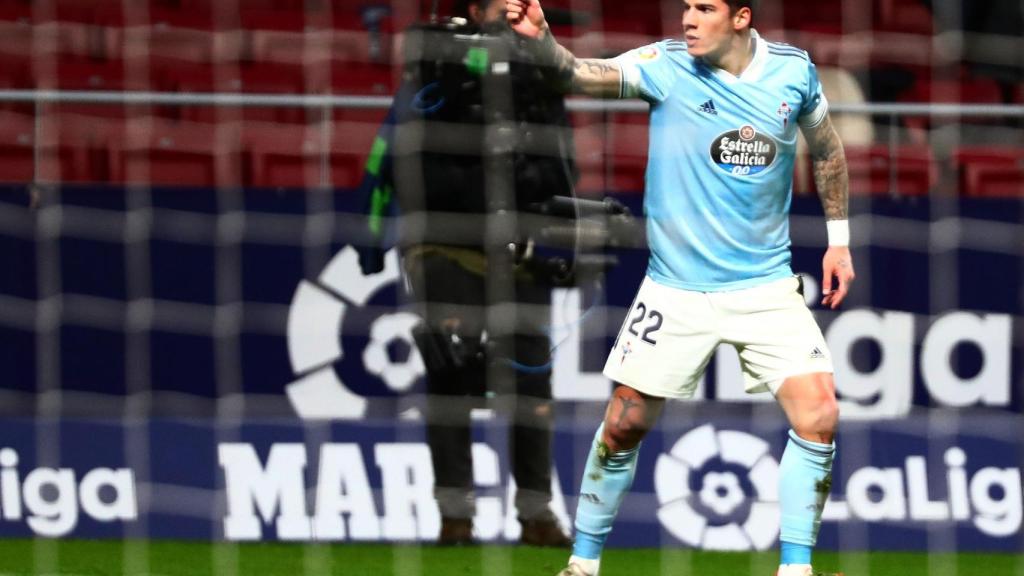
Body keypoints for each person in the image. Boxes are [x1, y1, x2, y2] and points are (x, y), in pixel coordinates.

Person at [504, 0, 855, 575]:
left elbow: (827, 146)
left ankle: (795, 569)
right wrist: (541, 37)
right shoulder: (666, 65)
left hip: (765, 285)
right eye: (685, 7)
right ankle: (582, 564)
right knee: (623, 425)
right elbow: (576, 73)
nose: (687, 19)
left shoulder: (795, 70)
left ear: (741, 18)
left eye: (704, 8)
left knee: (818, 414)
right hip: (676, 290)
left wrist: (838, 240)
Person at [356, 0, 575, 548]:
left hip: (518, 245)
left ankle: (536, 513)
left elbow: (559, 155)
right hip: (444, 240)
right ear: (474, 9)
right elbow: (387, 146)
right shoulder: (433, 64)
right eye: (501, 2)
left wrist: (565, 230)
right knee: (449, 362)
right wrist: (370, 231)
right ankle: (454, 513)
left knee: (530, 381)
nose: (512, 9)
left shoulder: (538, 72)